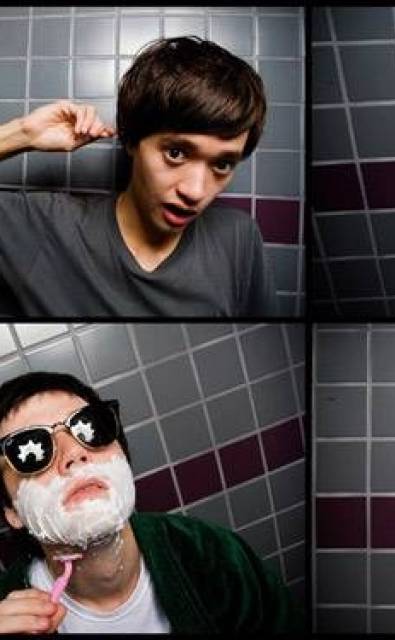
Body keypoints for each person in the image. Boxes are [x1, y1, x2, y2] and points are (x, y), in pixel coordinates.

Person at [0, 371, 301, 633]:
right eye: (30, 451)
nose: (75, 454)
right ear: (12, 512)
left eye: (90, 427)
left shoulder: (214, 555)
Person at [0, 36, 278, 317]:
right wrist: (22, 134)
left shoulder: (238, 239)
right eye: (176, 153)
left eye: (223, 164)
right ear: (132, 140)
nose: (195, 191)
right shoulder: (44, 226)